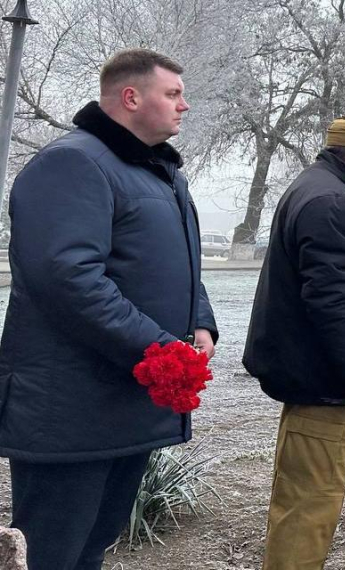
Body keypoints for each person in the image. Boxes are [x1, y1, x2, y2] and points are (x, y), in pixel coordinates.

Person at [0, 49, 218, 570]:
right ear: (130, 97)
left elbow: (175, 261)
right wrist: (159, 347)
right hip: (69, 408)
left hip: (121, 401)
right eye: (172, 94)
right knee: (52, 552)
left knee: (93, 544)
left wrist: (200, 321)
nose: (184, 106)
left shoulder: (159, 172)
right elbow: (67, 278)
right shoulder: (73, 163)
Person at [243, 117, 345, 569]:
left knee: (301, 498)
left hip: (314, 377)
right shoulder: (333, 201)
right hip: (323, 383)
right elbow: (332, 299)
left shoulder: (319, 188)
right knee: (310, 505)